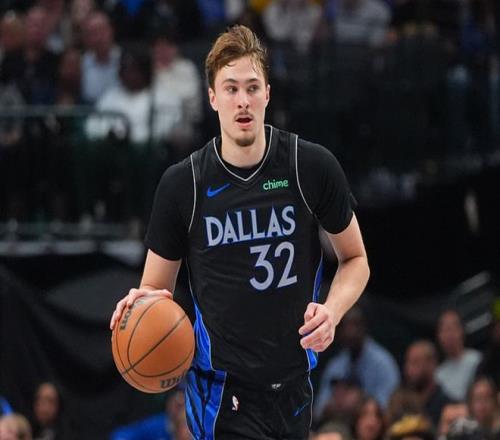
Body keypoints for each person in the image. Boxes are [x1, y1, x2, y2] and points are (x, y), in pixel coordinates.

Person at [110, 24, 370, 439]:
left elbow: (356, 259)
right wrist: (140, 304)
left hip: (293, 382)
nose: (243, 100)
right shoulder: (184, 184)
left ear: (267, 93)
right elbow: (155, 288)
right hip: (221, 390)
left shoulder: (310, 167)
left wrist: (332, 311)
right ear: (212, 98)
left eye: (252, 87)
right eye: (231, 89)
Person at [315, 306, 400, 418]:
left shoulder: (383, 363)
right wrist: (337, 403)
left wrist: (359, 402)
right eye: (345, 327)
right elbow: (319, 408)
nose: (350, 332)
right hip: (339, 422)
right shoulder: (336, 365)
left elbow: (389, 405)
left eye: (355, 326)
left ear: (364, 328)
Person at [402, 340, 454, 428]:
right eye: (408, 362)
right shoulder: (403, 404)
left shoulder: (448, 407)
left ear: (432, 364)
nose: (409, 368)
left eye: (415, 362)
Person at [435, 309, 482, 402]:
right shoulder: (438, 374)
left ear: (462, 331)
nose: (448, 334)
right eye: (444, 330)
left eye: (452, 328)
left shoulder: (477, 360)